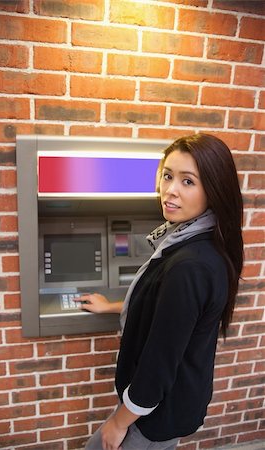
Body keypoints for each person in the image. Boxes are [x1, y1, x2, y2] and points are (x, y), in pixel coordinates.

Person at [76, 134, 243, 450]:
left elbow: (158, 364)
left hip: (153, 413)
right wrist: (112, 306)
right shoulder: (194, 242)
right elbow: (166, 313)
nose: (170, 190)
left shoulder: (190, 265)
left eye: (188, 181)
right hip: (170, 403)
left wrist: (117, 422)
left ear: (214, 189)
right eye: (168, 175)